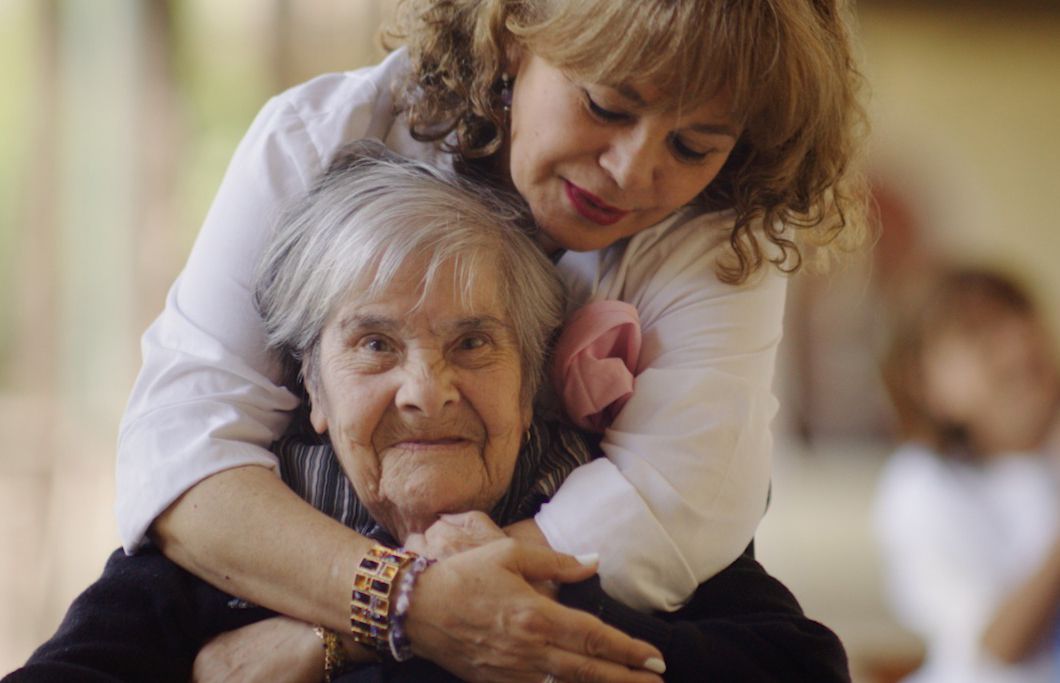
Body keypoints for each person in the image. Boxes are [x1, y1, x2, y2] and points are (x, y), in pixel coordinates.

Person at [115, 1, 869, 680]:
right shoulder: (316, 139)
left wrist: (373, 623)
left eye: (695, 145)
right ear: (513, 35)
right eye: (607, 105)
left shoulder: (719, 230)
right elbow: (186, 448)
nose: (632, 171)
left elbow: (679, 497)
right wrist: (407, 599)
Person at [7, 148, 851, 683]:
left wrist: (354, 638)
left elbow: (806, 668)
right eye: (375, 345)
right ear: (313, 386)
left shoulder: (613, 516)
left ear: (532, 379)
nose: (426, 389)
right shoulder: (234, 544)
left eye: (475, 343)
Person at [874, 268, 1060, 683]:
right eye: (980, 335)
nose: (1018, 345)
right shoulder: (920, 485)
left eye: (1022, 318)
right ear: (924, 382)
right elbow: (997, 647)